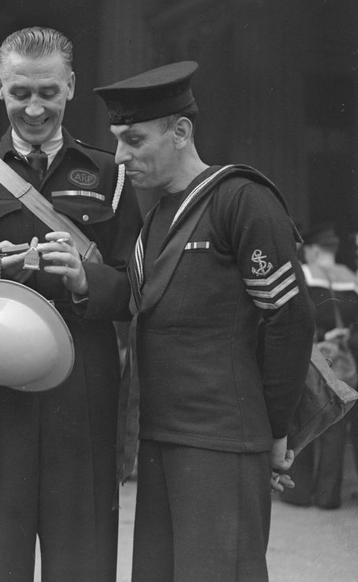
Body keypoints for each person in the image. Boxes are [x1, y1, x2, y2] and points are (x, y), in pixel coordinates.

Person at [0, 27, 142, 581]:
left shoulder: (109, 175)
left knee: (82, 549)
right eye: (21, 92)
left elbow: (137, 288)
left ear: (71, 86)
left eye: (48, 91)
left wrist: (85, 280)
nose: (35, 107)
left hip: (82, 385)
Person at [94, 61, 316, 581]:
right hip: (161, 434)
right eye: (118, 142)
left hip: (221, 439)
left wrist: (276, 431)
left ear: (181, 131)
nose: (122, 158)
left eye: (134, 139)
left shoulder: (241, 199)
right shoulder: (158, 216)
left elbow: (291, 319)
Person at [280, 223, 358, 509]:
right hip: (345, 358)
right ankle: (328, 497)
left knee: (302, 419)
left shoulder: (303, 275)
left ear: (312, 250)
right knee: (335, 423)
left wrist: (324, 336)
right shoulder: (350, 278)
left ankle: (298, 494)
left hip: (310, 356)